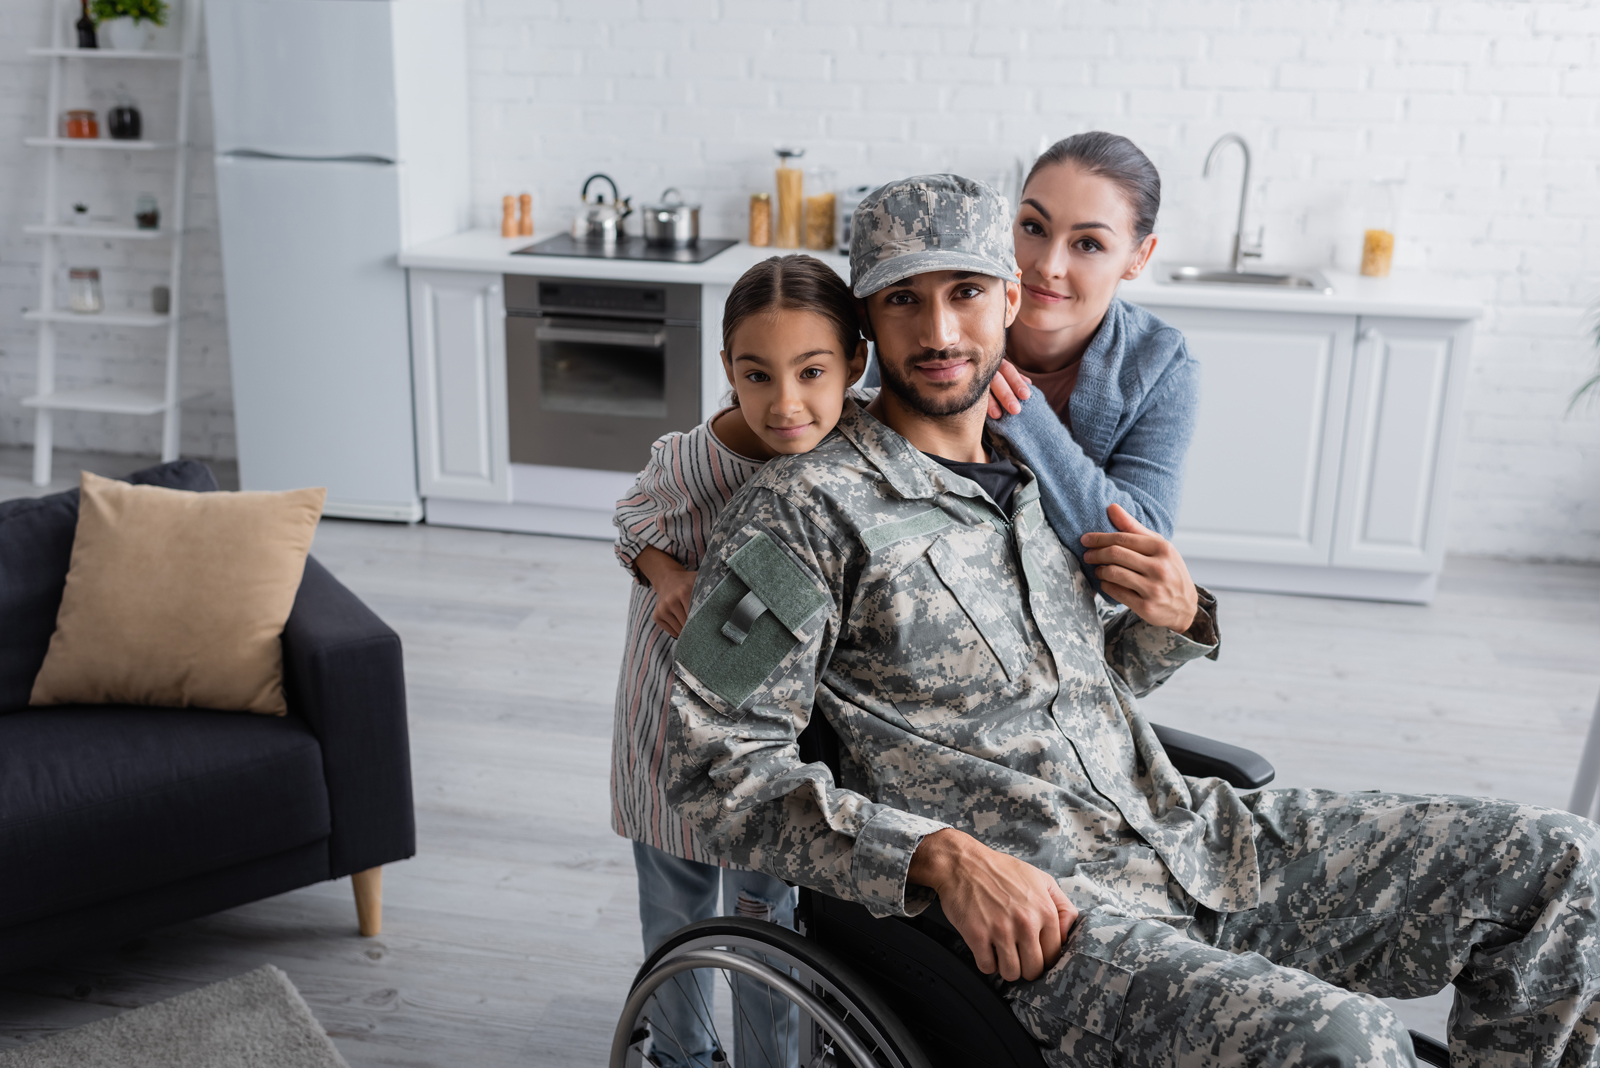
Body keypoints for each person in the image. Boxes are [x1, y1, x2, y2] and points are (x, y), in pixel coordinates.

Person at [663, 174, 1600, 1068]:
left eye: (966, 292)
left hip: (1192, 841)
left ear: (1011, 301)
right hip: (1052, 927)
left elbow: (1057, 696)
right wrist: (936, 857)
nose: (941, 330)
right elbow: (706, 769)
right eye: (904, 300)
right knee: (1345, 1043)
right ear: (865, 324)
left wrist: (1171, 619)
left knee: (1566, 866)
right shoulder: (800, 512)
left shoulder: (1028, 476)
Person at [610, 253, 866, 1068]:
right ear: (728, 371)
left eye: (812, 372)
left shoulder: (860, 443)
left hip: (782, 741)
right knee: (680, 914)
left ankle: (773, 1058)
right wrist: (665, 573)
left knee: (770, 917)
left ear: (853, 365)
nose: (784, 404)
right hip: (672, 713)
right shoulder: (695, 457)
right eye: (757, 375)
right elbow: (632, 518)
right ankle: (680, 1056)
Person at [985, 132, 1195, 588]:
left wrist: (1020, 412)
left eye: (1089, 244)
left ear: (1139, 257)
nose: (1049, 265)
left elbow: (1133, 567)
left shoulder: (1160, 363)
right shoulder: (944, 320)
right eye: (1034, 228)